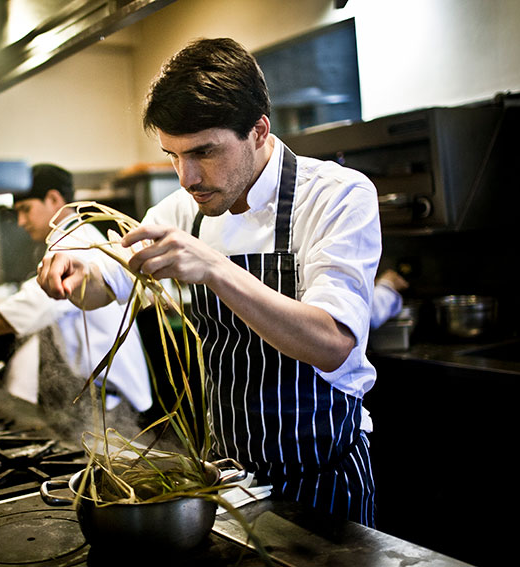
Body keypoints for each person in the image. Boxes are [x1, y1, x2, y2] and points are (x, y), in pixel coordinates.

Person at [36, 39, 381, 527]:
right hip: (228, 479)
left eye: (204, 152)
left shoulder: (336, 197)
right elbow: (100, 286)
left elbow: (334, 344)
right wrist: (73, 268)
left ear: (259, 130)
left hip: (322, 475)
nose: (186, 177)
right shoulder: (185, 210)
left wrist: (215, 268)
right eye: (173, 155)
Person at [0, 163, 153, 438]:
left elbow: (31, 304)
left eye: (25, 209)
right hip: (104, 394)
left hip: (112, 401)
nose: (20, 222)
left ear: (53, 199)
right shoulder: (78, 236)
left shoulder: (73, 243)